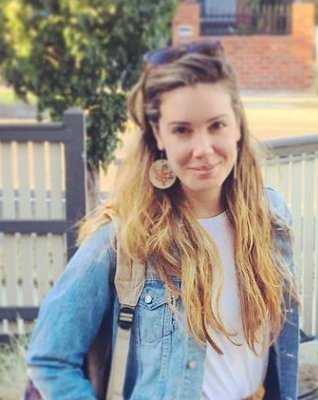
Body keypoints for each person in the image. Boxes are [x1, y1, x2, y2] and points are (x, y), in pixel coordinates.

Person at [27, 40, 299, 400]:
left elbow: (281, 349)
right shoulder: (124, 239)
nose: (203, 149)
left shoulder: (271, 217)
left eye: (216, 125)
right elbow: (49, 358)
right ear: (159, 135)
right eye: (182, 130)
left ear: (237, 125)